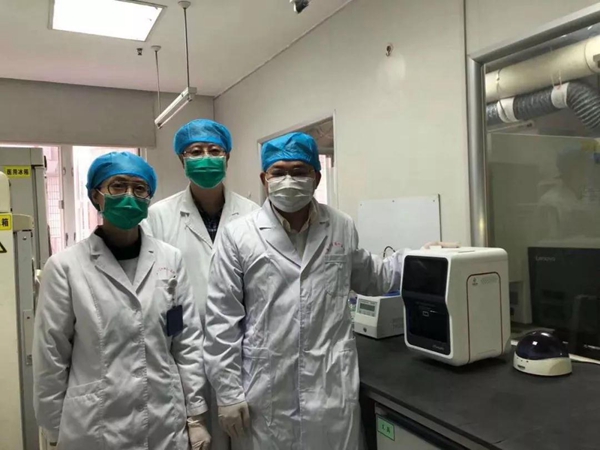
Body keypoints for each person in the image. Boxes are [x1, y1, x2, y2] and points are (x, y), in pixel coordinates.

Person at [204, 132, 454, 449]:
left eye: (299, 171)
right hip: (266, 390)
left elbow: (373, 276)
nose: (288, 180)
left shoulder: (340, 225)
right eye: (278, 172)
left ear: (317, 177)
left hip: (330, 386)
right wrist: (228, 393)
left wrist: (422, 259)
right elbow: (222, 321)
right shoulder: (238, 235)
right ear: (264, 179)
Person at [33, 152, 211, 450]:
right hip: (95, 425)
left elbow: (185, 341)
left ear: (148, 199)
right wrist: (54, 430)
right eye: (118, 186)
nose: (129, 195)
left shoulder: (170, 260)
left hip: (163, 420)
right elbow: (51, 355)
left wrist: (195, 416)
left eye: (139, 189)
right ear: (96, 196)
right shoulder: (65, 267)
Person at [143, 118, 259, 449]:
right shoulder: (157, 217)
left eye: (214, 150)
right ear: (182, 159)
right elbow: (154, 292)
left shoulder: (252, 215)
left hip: (242, 351)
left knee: (245, 437)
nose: (205, 157)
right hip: (180, 348)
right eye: (195, 151)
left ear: (228, 157)